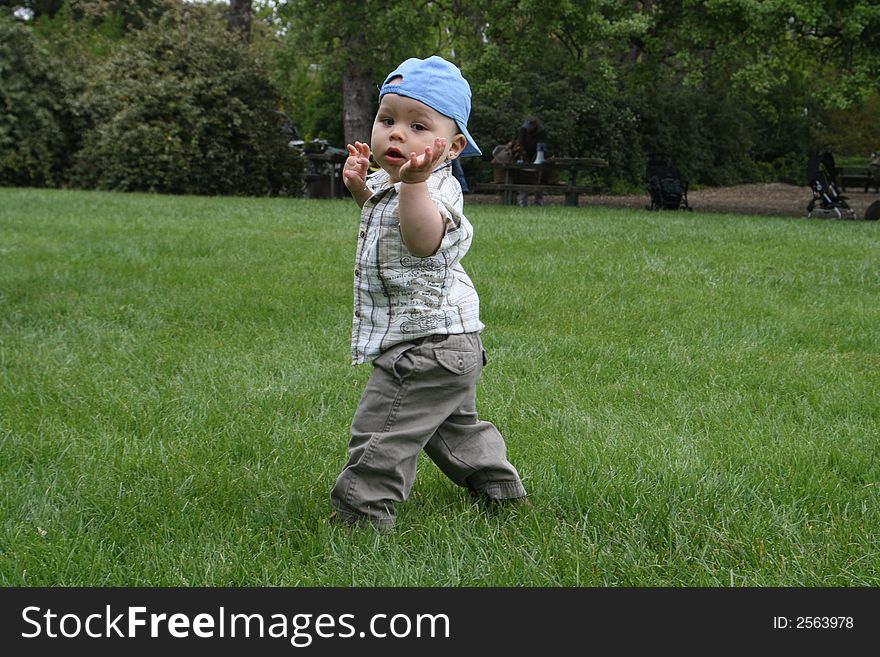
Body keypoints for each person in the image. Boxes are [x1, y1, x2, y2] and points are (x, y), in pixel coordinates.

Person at [332, 56, 528, 531]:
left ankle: (362, 514)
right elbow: (386, 215)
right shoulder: (393, 183)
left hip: (428, 346)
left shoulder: (436, 190)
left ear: (453, 147)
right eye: (386, 120)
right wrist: (361, 187)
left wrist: (414, 185)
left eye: (417, 125)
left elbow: (421, 240)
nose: (396, 134)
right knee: (451, 426)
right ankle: (499, 487)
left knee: (383, 429)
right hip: (448, 342)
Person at [512, 116, 548, 207]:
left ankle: (538, 202)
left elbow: (542, 146)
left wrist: (536, 159)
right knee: (524, 178)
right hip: (524, 155)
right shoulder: (523, 130)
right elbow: (520, 143)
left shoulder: (541, 132)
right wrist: (523, 155)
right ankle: (523, 201)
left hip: (538, 154)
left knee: (539, 179)